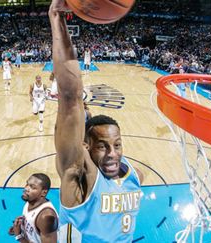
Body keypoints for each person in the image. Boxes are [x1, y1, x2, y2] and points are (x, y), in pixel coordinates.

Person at [49, 0, 143, 242]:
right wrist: (56, 18)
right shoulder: (76, 176)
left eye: (117, 145)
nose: (113, 153)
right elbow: (70, 97)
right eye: (102, 146)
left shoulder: (134, 175)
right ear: (86, 146)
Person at [8, 173, 58, 243]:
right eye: (27, 184)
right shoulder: (30, 201)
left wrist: (19, 236)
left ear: (43, 193)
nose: (26, 189)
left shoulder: (46, 217)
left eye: (32, 187)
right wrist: (19, 229)